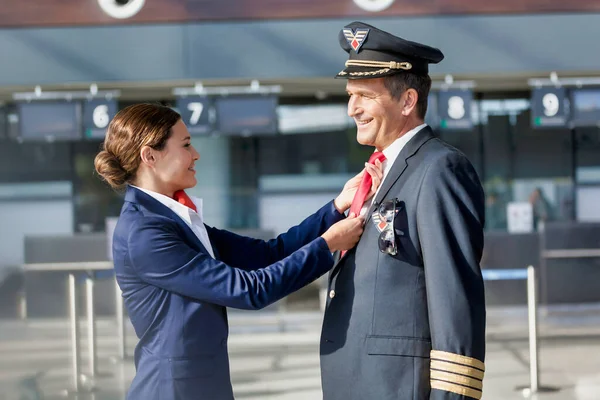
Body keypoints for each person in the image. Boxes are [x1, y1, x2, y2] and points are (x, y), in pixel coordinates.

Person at [93, 103, 383, 400]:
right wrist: (328, 244)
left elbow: (271, 253)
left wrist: (337, 207)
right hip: (174, 390)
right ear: (150, 156)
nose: (196, 154)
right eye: (186, 145)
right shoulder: (145, 233)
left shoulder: (173, 218)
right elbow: (248, 290)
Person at [320, 22, 487, 400]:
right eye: (350, 95)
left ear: (407, 101)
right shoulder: (381, 173)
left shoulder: (439, 169)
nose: (352, 109)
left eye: (364, 95)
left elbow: (454, 300)